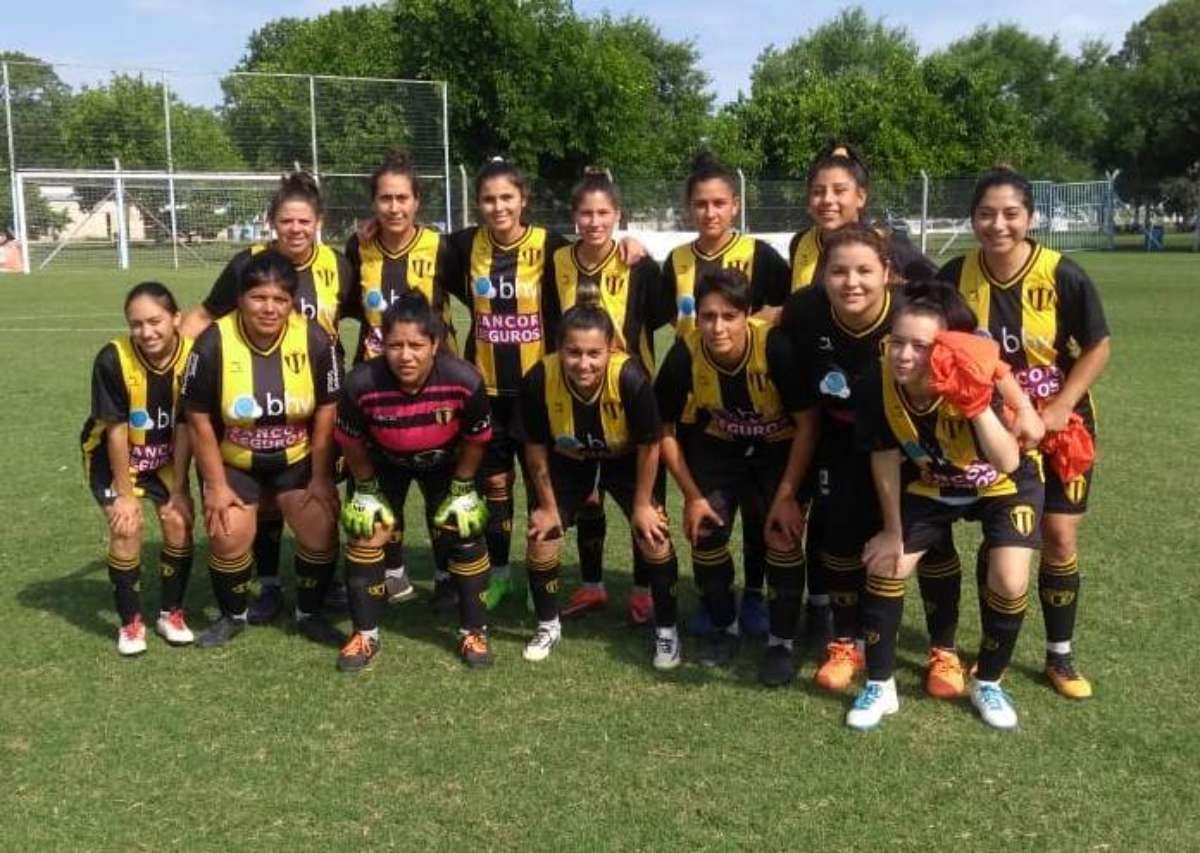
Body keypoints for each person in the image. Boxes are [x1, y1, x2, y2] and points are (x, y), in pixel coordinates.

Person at [939, 167, 1111, 699]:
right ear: (972, 219)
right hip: (993, 430)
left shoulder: (1062, 274)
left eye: (1010, 214)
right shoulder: (955, 274)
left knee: (1059, 536)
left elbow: (1099, 347)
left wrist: (1058, 407)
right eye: (986, 214)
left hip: (1061, 427)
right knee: (1002, 536)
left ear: (1030, 218)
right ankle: (994, 650)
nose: (998, 225)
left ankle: (1060, 655)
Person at [447, 158, 645, 611]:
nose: (498, 207)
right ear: (477, 204)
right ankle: (501, 576)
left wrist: (630, 242)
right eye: (489, 199)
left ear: (524, 200)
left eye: (507, 197)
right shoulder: (462, 245)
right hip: (488, 393)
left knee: (564, 492)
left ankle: (556, 578)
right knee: (497, 488)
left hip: (544, 393)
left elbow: (592, 251)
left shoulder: (550, 246)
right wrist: (366, 235)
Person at [852, 281, 1039, 731]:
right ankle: (880, 684)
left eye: (919, 346)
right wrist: (892, 531)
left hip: (1002, 485)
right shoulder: (876, 382)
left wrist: (974, 404)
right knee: (886, 564)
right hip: (935, 483)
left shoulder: (971, 376)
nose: (903, 355)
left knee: (1009, 580)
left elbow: (1008, 461)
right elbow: (884, 458)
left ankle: (988, 681)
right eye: (897, 342)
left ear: (942, 349)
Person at [181, 172, 357, 625]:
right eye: (286, 221)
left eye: (304, 221)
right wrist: (175, 362)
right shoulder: (246, 265)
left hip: (313, 395)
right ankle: (269, 584)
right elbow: (205, 313)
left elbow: (369, 312)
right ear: (272, 222)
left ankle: (316, 591)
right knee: (251, 506)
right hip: (245, 403)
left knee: (313, 507)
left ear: (319, 222)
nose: (295, 229)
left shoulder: (338, 266)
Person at [786, 142, 941, 649]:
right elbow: (791, 322)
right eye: (818, 191)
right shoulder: (801, 251)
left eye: (839, 190)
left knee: (924, 533)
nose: (827, 200)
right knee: (832, 524)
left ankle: (940, 645)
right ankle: (831, 623)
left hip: (901, 432)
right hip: (831, 421)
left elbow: (941, 302)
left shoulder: (891, 252)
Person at [656, 269, 817, 683]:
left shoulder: (775, 348)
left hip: (778, 451)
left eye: (729, 316)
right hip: (720, 448)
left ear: (747, 315)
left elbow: (808, 424)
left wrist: (787, 496)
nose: (717, 327)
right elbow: (664, 429)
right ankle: (724, 626)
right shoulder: (685, 353)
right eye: (708, 316)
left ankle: (781, 643)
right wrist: (693, 497)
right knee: (706, 531)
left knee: (782, 536)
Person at [662, 152, 792, 638]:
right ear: (688, 208)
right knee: (712, 515)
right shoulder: (676, 261)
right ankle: (714, 599)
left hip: (761, 405)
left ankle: (754, 594)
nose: (710, 212)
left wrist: (765, 322)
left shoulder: (761, 255)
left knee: (760, 514)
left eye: (719, 203)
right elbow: (662, 315)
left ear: (735, 205)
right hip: (701, 411)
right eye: (700, 204)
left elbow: (791, 305)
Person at [334, 292, 494, 671]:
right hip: (383, 462)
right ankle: (365, 634)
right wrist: (366, 488)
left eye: (416, 345)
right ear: (381, 344)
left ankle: (474, 631)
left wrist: (463, 486)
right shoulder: (361, 383)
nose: (405, 355)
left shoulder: (464, 379)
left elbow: (477, 438)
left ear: (435, 344)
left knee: (466, 528)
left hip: (447, 463)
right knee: (365, 529)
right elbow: (350, 442)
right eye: (395, 345)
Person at [517, 306, 680, 668]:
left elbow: (650, 445)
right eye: (573, 352)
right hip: (569, 459)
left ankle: (667, 630)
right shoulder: (539, 377)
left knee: (654, 535)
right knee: (542, 535)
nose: (584, 363)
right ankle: (547, 625)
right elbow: (535, 449)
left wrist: (642, 505)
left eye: (594, 353)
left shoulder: (631, 377)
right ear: (559, 348)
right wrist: (547, 507)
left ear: (611, 349)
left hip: (625, 458)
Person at [344, 151, 466, 606]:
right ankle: (392, 572)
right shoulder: (358, 247)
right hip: (376, 387)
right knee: (378, 483)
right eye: (385, 199)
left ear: (417, 201)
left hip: (435, 387)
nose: (394, 208)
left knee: (442, 485)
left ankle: (447, 573)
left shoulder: (441, 248)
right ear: (373, 203)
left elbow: (482, 287)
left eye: (402, 198)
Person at [551, 168, 671, 624]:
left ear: (618, 215)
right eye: (586, 213)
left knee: (646, 500)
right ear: (574, 215)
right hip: (575, 394)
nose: (594, 221)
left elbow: (659, 318)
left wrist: (640, 247)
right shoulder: (556, 261)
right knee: (589, 499)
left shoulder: (638, 265)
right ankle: (592, 585)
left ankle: (642, 590)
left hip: (632, 398)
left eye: (603, 213)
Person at [81, 282, 196, 654]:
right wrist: (125, 495)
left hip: (163, 454)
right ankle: (130, 624)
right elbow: (115, 431)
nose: (146, 332)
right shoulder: (112, 359)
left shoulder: (194, 358)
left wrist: (179, 489)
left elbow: (185, 426)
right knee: (127, 526)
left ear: (176, 318)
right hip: (111, 455)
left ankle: (170, 614)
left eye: (155, 321)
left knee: (178, 520)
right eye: (136, 324)